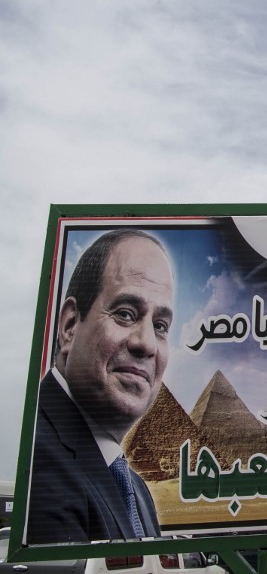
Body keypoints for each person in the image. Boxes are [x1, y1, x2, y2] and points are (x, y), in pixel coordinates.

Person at [27, 229, 174, 544]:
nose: (146, 343)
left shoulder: (137, 492)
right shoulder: (37, 464)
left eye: (160, 326)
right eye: (125, 314)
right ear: (69, 326)